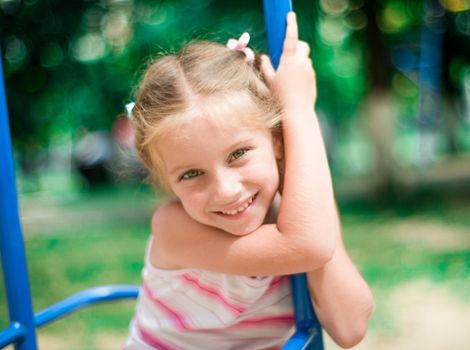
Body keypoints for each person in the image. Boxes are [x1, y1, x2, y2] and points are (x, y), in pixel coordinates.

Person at [124, 12, 374, 350]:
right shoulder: (173, 227)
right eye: (191, 174)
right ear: (166, 181)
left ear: (276, 141)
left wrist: (294, 154)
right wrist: (300, 108)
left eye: (238, 154)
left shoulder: (300, 217)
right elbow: (309, 246)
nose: (226, 190)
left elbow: (350, 326)